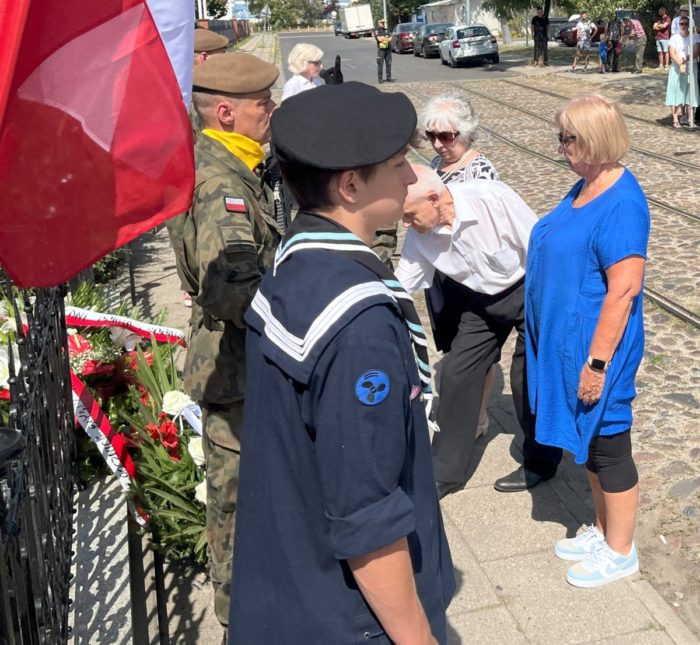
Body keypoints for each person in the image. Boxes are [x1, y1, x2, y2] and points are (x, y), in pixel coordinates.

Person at [230, 82, 455, 644]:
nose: (411, 178)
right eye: (399, 164)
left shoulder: (297, 258)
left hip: (295, 583)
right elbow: (366, 512)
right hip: (351, 617)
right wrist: (418, 637)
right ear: (351, 184)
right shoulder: (357, 324)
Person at [526, 95, 649, 588]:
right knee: (592, 441)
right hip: (567, 339)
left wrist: (596, 364)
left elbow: (624, 290)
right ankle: (603, 530)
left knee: (610, 443)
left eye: (567, 138)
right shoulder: (587, 185)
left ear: (595, 139)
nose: (560, 148)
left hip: (597, 348)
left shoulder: (621, 204)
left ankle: (622, 551)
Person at [178, 52, 283, 631]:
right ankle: (241, 619)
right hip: (236, 372)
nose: (270, 111)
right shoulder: (222, 185)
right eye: (261, 104)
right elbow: (232, 292)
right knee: (239, 507)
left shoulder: (231, 162)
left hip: (237, 367)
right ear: (225, 113)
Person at [395, 167, 562, 498]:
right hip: (481, 299)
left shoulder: (491, 199)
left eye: (410, 215)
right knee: (457, 373)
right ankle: (445, 472)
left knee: (527, 378)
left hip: (529, 287)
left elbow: (540, 246)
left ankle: (541, 462)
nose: (405, 224)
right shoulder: (420, 234)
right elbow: (403, 284)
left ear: (433, 199)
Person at [419, 92, 499, 438]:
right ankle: (462, 411)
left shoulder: (480, 170)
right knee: (453, 348)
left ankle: (478, 416)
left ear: (465, 133)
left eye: (446, 136)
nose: (437, 144)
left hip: (471, 277)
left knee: (478, 355)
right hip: (442, 275)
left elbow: (488, 231)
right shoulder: (437, 166)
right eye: (431, 136)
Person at [666, 16, 700, 127]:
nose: (684, 26)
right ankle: (675, 119)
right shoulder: (674, 37)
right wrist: (680, 63)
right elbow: (672, 52)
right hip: (676, 68)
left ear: (689, 25)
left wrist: (685, 59)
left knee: (690, 92)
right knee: (675, 91)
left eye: (686, 24)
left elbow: (695, 51)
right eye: (682, 24)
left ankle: (690, 119)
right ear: (679, 25)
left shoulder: (695, 37)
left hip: (691, 67)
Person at [375, 19, 393, 83]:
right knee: (380, 64)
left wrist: (385, 39)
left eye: (383, 23)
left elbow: (391, 38)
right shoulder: (377, 31)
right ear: (379, 23)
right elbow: (379, 39)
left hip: (388, 49)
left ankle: (389, 77)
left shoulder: (386, 30)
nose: (383, 24)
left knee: (389, 63)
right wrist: (386, 39)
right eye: (381, 23)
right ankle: (380, 78)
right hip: (381, 50)